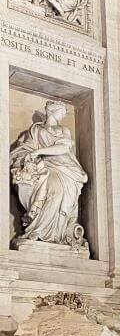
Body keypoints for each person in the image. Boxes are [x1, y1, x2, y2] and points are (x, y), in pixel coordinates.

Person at [10, 101, 88, 247]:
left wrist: (38, 151)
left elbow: (63, 148)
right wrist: (28, 156)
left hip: (65, 167)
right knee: (54, 190)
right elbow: (24, 148)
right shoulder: (35, 130)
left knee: (62, 193)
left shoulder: (64, 130)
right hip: (45, 166)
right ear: (52, 111)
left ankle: (58, 234)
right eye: (62, 112)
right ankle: (39, 230)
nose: (64, 115)